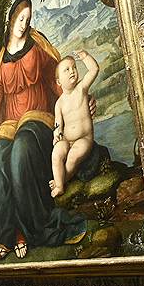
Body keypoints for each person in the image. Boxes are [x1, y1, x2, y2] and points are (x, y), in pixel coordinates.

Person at [0, 0, 87, 261]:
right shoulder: (2, 58)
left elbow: (56, 80)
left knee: (20, 152)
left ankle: (33, 229)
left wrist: (77, 102)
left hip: (38, 117)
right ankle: (8, 235)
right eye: (20, 18)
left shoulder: (36, 45)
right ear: (11, 19)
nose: (24, 24)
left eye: (28, 18)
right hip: (9, 124)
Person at [50, 50, 100, 197]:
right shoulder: (59, 103)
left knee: (72, 157)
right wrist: (57, 134)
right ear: (59, 82)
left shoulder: (81, 89)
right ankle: (59, 184)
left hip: (84, 139)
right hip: (67, 140)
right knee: (56, 153)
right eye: (67, 70)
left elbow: (94, 69)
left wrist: (85, 57)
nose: (72, 71)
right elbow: (58, 124)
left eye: (74, 67)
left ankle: (61, 182)